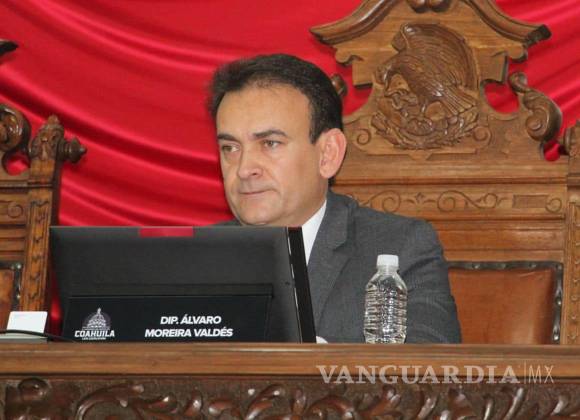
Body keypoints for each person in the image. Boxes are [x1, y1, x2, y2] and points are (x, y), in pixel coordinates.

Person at [208, 54, 461, 343]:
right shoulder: (196, 257)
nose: (243, 169)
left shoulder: (401, 247)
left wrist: (315, 358)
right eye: (230, 148)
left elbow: (429, 361)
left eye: (270, 143)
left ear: (328, 154)